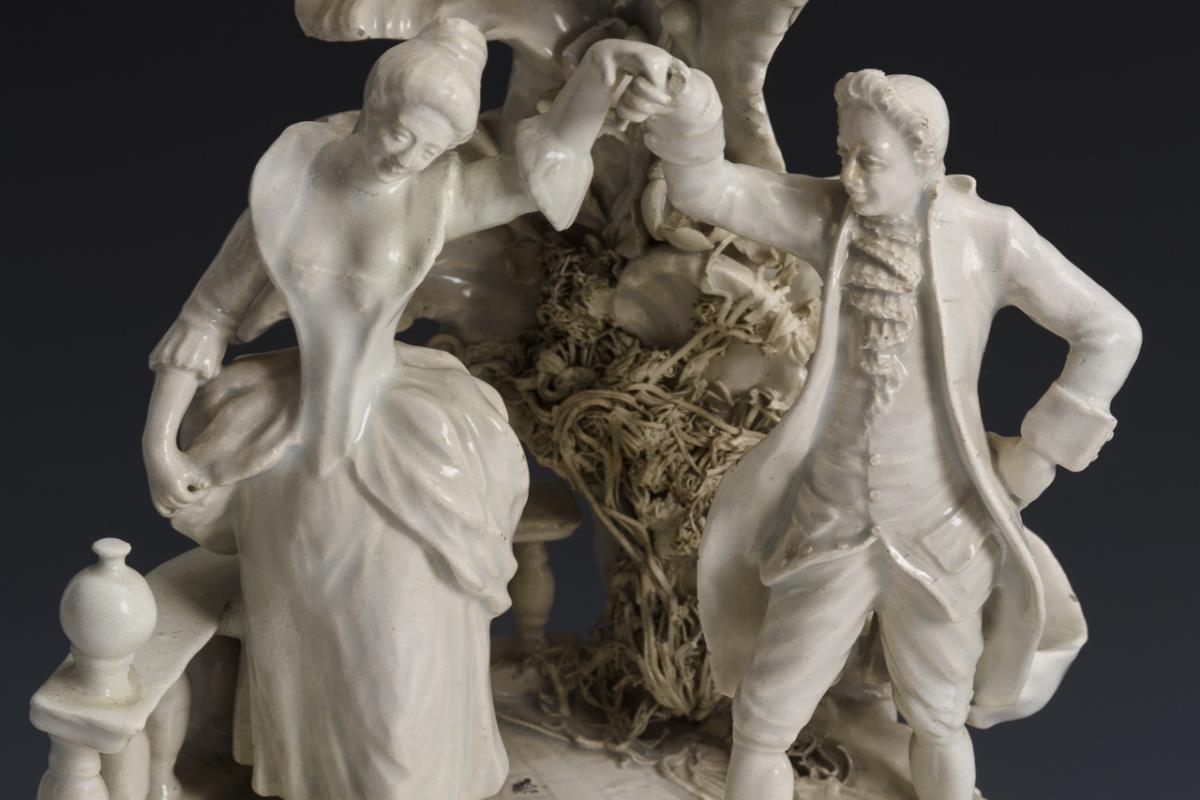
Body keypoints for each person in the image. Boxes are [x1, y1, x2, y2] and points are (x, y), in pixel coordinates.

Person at [141, 20, 684, 799]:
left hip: (399, 439)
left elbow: (531, 177)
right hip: (297, 455)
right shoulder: (289, 191)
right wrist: (160, 443)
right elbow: (205, 321)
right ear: (374, 105)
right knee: (316, 646)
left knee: (403, 655)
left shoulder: (432, 196)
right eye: (400, 134)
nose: (406, 157)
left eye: (430, 148)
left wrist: (597, 76)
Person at [620, 68, 1141, 800]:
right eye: (844, 154)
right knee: (764, 717)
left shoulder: (989, 235)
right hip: (828, 522)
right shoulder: (828, 216)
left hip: (942, 526)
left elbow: (1110, 330)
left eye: (872, 160)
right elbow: (710, 189)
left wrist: (1040, 452)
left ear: (927, 161)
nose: (851, 176)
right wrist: (687, 114)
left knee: (939, 717)